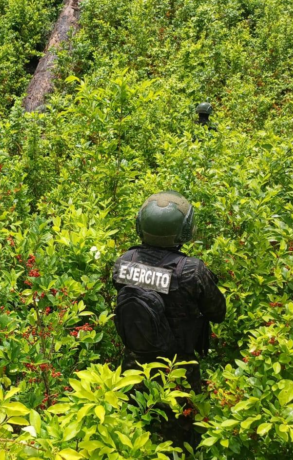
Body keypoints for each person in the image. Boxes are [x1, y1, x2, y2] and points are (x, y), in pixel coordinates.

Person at [112, 190, 226, 446]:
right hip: (178, 370)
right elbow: (218, 313)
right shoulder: (191, 271)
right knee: (182, 442)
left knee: (134, 435)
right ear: (184, 231)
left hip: (134, 366)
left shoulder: (124, 263)